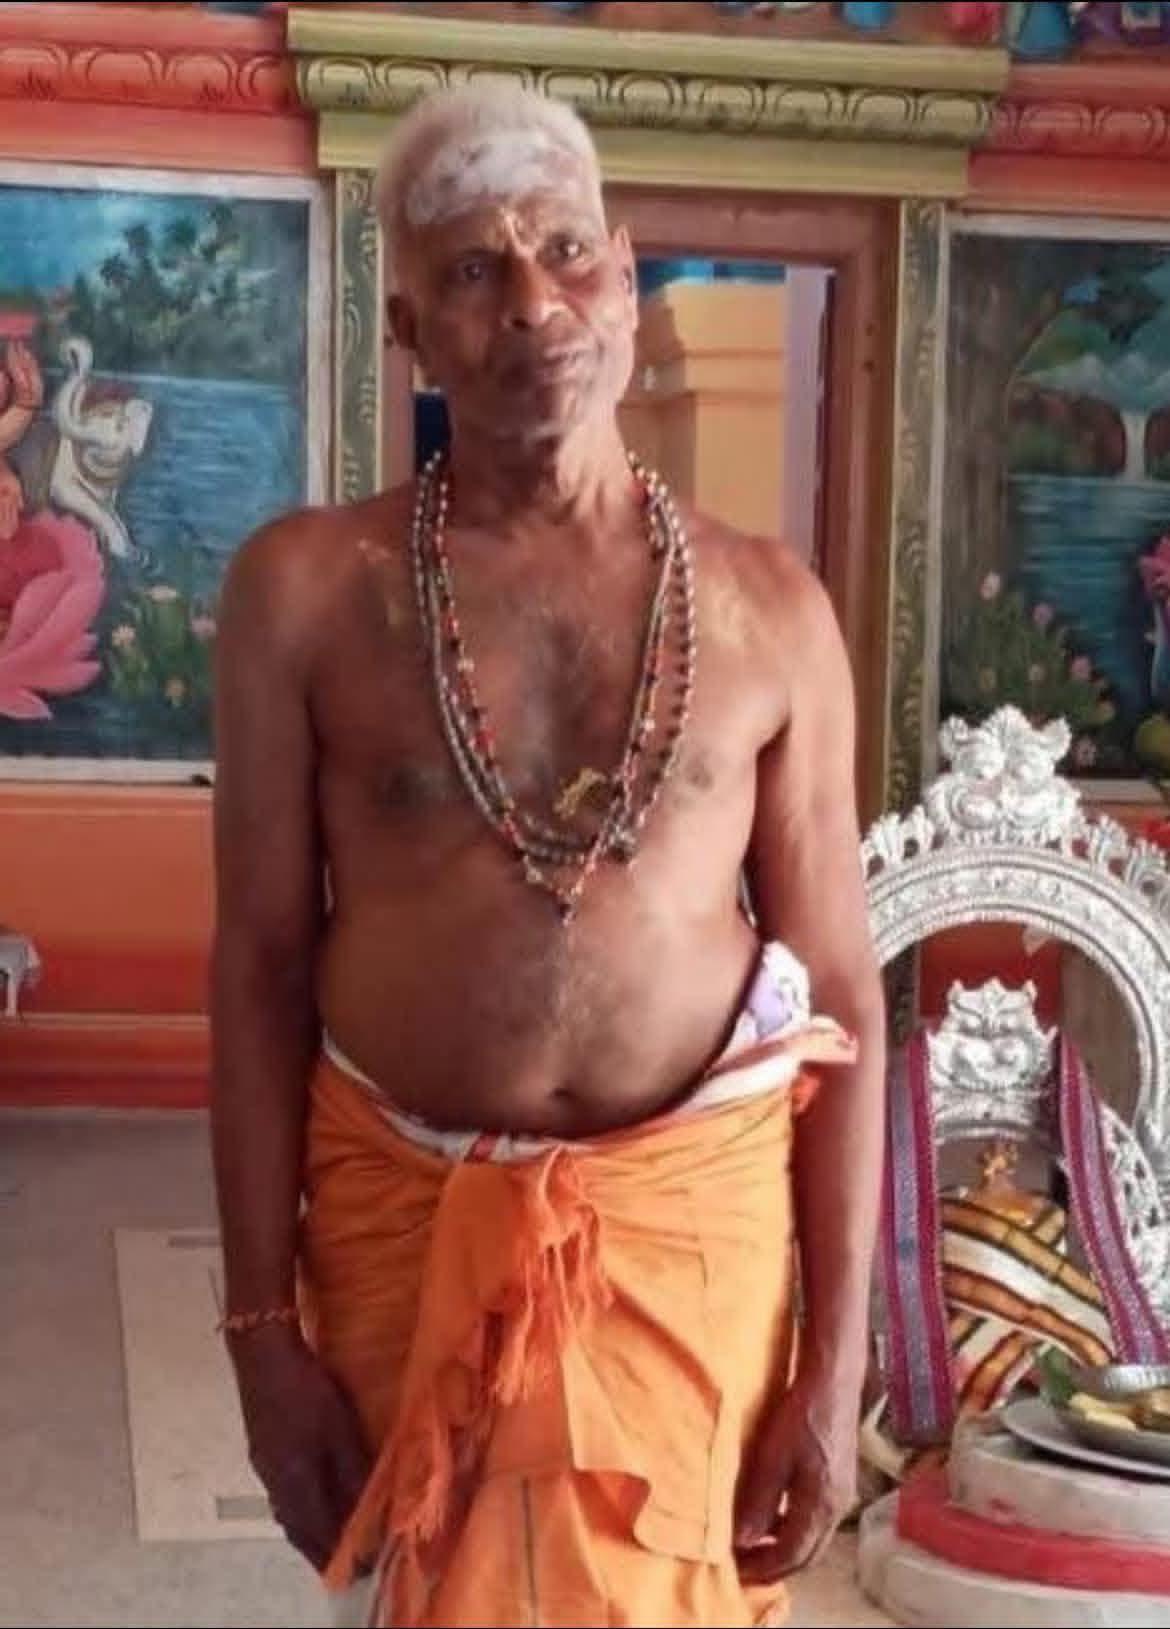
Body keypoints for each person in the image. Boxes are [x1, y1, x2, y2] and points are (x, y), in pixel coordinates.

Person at [210, 81, 885, 1629]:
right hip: (403, 1217)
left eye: (567, 251)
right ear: (409, 328)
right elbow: (256, 967)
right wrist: (258, 1330)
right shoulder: (303, 593)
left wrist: (838, 1355)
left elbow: (840, 989)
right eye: (473, 269)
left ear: (626, 276)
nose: (533, 304)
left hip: (693, 1239)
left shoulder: (774, 607)